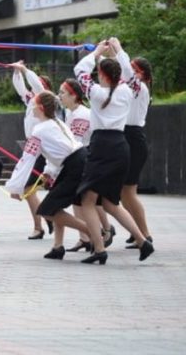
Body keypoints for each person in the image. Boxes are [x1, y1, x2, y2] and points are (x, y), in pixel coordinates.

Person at [73, 40, 154, 264]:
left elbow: (79, 70)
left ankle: (99, 249)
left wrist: (98, 52)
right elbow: (128, 74)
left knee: (87, 200)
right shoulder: (128, 91)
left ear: (102, 74)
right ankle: (142, 240)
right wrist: (116, 51)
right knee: (108, 202)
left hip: (102, 146)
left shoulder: (96, 92)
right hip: (121, 146)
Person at [4, 92, 91, 260]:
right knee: (56, 204)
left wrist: (16, 187)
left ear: (41, 108)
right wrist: (49, 172)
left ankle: (91, 231)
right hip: (77, 161)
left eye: (34, 105)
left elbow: (27, 160)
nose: (31, 109)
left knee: (47, 210)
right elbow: (57, 150)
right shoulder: (56, 122)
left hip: (74, 165)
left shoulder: (39, 130)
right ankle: (58, 247)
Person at [58, 78, 115, 252]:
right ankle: (86, 237)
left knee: (91, 201)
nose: (59, 96)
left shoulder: (81, 114)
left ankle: (105, 230)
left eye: (62, 93)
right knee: (82, 200)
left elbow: (76, 142)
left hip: (88, 159)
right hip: (81, 158)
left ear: (73, 95)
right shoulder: (70, 113)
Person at [113, 41, 154, 248]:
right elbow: (118, 73)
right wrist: (102, 55)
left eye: (134, 69)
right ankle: (138, 232)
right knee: (124, 192)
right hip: (127, 138)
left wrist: (117, 48)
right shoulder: (132, 88)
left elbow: (126, 73)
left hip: (133, 140)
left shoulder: (140, 87)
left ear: (143, 74)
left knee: (128, 192)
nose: (130, 72)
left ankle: (144, 234)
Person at [8, 60, 52, 239]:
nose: (34, 89)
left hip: (42, 150)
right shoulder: (32, 102)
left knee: (28, 188)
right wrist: (17, 72)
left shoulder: (48, 100)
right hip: (31, 149)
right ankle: (46, 218)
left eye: (39, 86)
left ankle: (43, 222)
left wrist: (26, 70)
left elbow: (35, 84)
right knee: (27, 189)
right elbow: (20, 88)